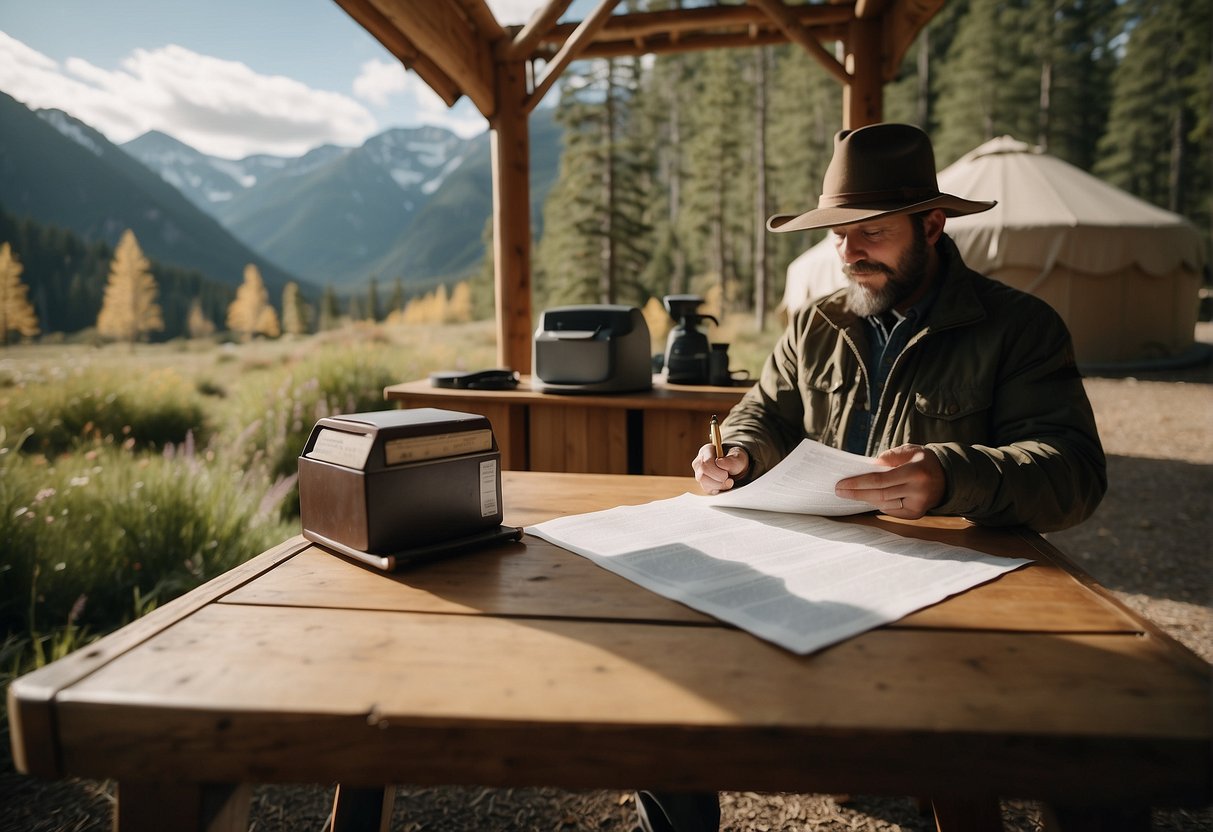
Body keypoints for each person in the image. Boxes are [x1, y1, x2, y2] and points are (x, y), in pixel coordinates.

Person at [640, 123, 1106, 832]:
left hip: (950, 596)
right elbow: (764, 410)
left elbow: (1072, 472)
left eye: (871, 233)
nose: (849, 255)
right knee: (658, 685)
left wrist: (951, 476)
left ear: (931, 225)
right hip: (811, 566)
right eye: (835, 237)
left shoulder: (1019, 328)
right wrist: (736, 452)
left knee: (1095, 747)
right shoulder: (815, 324)